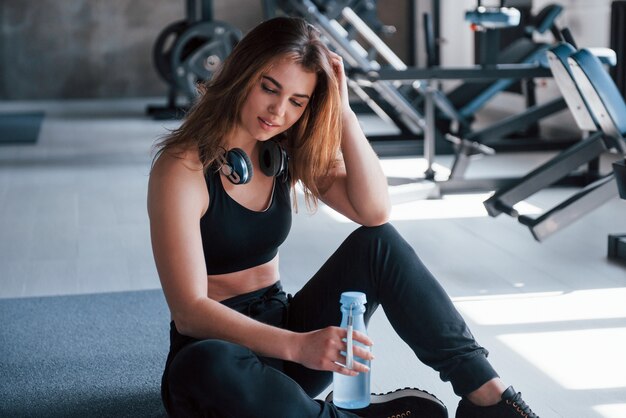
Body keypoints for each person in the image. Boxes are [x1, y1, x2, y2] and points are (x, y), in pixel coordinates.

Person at [147, 16, 539, 418]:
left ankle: (488, 397)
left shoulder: (281, 148)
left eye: (297, 101)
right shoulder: (182, 168)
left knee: (379, 243)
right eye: (269, 88)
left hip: (289, 344)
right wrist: (299, 346)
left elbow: (373, 212)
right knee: (208, 367)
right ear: (241, 73)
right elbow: (190, 311)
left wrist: (345, 114)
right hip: (218, 355)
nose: (278, 111)